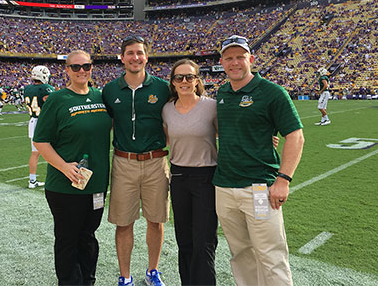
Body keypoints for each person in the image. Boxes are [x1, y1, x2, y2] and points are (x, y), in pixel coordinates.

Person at [214, 35, 305, 286]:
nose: (235, 63)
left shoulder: (272, 92)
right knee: (240, 253)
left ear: (251, 59)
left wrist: (284, 179)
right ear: (222, 62)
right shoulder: (222, 92)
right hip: (224, 186)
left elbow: (296, 136)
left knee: (270, 255)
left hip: (258, 188)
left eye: (240, 57)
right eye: (229, 58)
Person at [33, 50, 112, 286]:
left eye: (86, 66)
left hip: (96, 183)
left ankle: (87, 280)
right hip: (65, 186)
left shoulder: (101, 96)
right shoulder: (57, 100)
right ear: (66, 70)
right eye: (75, 67)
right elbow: (40, 141)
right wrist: (65, 167)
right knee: (68, 239)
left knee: (88, 236)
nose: (81, 71)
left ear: (91, 68)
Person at [102, 36, 170, 286]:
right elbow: (101, 125)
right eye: (130, 53)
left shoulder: (162, 87)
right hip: (123, 162)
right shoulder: (110, 90)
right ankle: (125, 276)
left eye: (140, 52)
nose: (135, 57)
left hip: (156, 161)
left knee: (156, 219)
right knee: (123, 222)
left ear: (147, 57)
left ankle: (153, 271)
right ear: (122, 57)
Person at [161, 59, 218, 286]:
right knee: (184, 240)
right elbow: (165, 138)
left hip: (206, 176)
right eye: (179, 77)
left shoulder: (211, 106)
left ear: (197, 80)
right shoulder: (166, 109)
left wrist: (262, 140)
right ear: (173, 82)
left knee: (204, 241)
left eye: (189, 77)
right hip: (178, 177)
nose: (184, 81)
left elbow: (233, 134)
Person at [24, 65, 55, 189]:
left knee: (34, 153)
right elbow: (53, 103)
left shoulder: (27, 89)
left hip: (33, 121)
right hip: (45, 122)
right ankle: (56, 179)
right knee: (54, 152)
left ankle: (32, 181)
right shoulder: (46, 88)